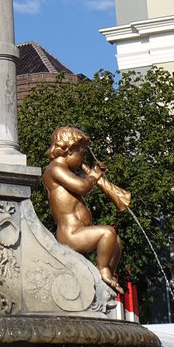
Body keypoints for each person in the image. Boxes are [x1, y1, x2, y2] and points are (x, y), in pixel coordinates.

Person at [43, 126, 124, 294]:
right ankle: (102, 270)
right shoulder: (55, 169)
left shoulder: (68, 171)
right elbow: (82, 187)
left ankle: (108, 273)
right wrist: (94, 176)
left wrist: (94, 177)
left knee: (116, 242)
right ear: (69, 150)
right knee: (107, 233)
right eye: (81, 154)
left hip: (82, 230)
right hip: (71, 235)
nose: (82, 159)